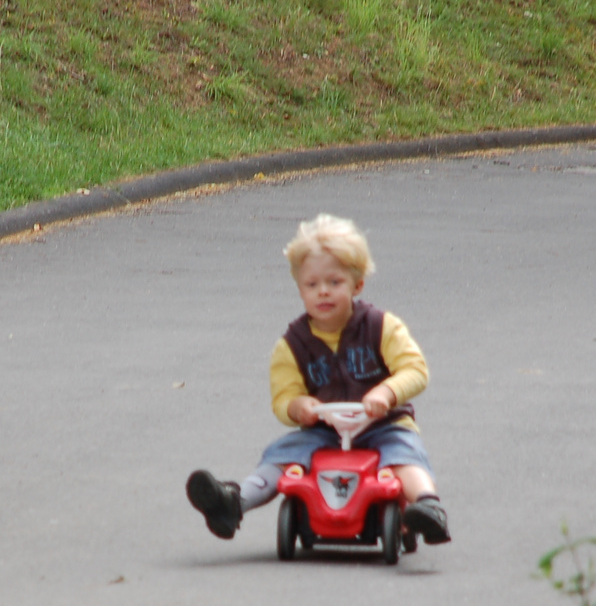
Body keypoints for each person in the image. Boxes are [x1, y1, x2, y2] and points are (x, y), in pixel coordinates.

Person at [185, 213, 451, 545]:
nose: (323, 292)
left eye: (334, 282)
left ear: (357, 285)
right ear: (300, 289)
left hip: (382, 425)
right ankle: (233, 503)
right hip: (323, 431)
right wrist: (299, 407)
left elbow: (415, 369)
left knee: (404, 454)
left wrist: (387, 392)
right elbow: (283, 397)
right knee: (282, 455)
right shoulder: (291, 345)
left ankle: (428, 507)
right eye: (312, 285)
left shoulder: (382, 327)